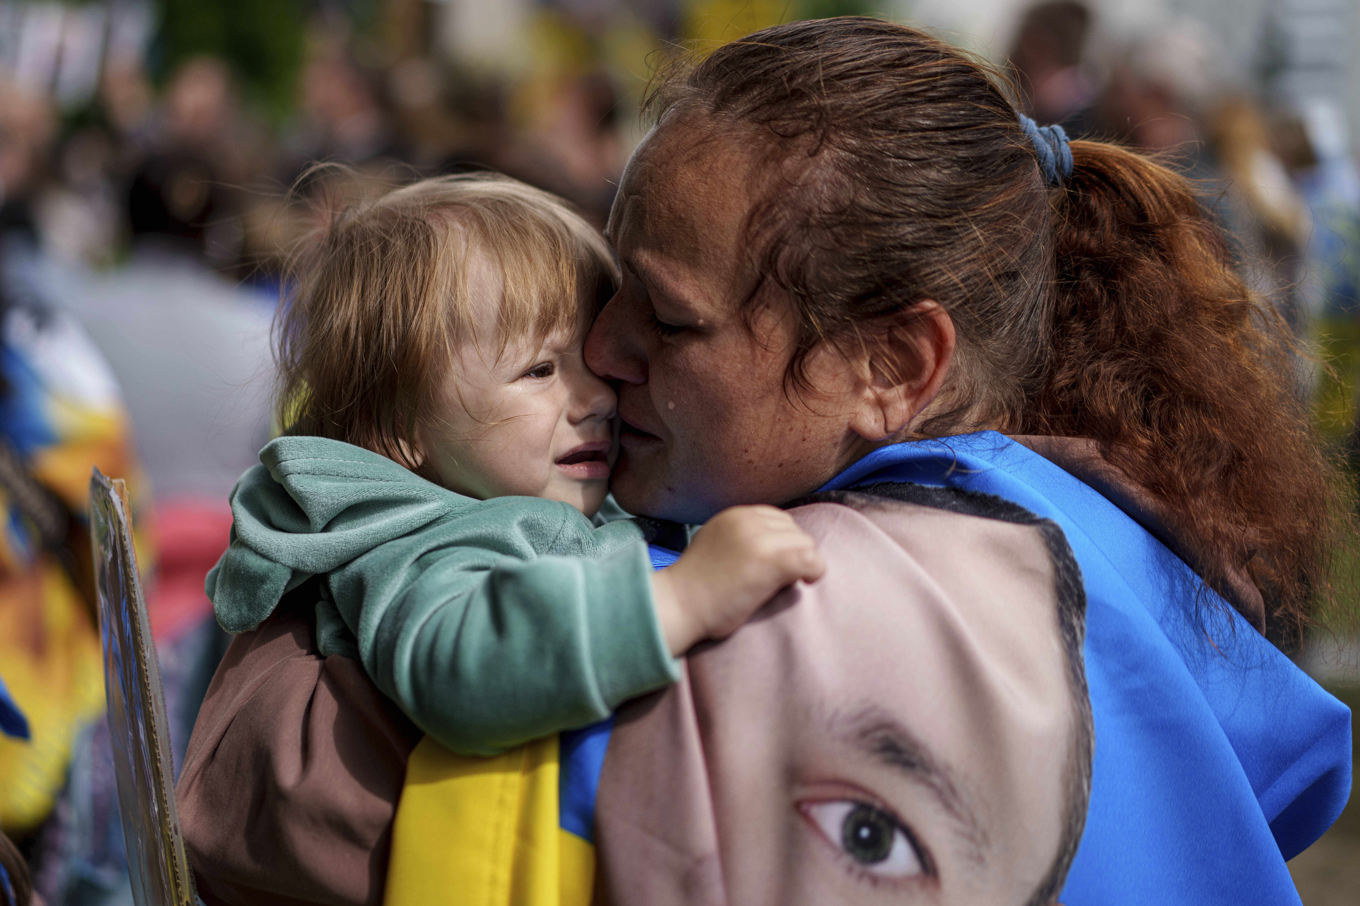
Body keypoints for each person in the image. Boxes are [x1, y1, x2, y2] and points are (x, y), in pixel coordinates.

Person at [177, 16, 1352, 906]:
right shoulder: (1086, 536)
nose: (603, 348)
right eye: (610, 291)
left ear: (892, 364)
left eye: (668, 319)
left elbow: (295, 797)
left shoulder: (823, 608)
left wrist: (291, 659)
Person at [199, 171, 823, 759]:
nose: (599, 397)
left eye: (591, 359)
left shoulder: (503, 500)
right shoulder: (420, 541)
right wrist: (685, 600)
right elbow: (458, 666)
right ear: (398, 425)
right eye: (540, 370)